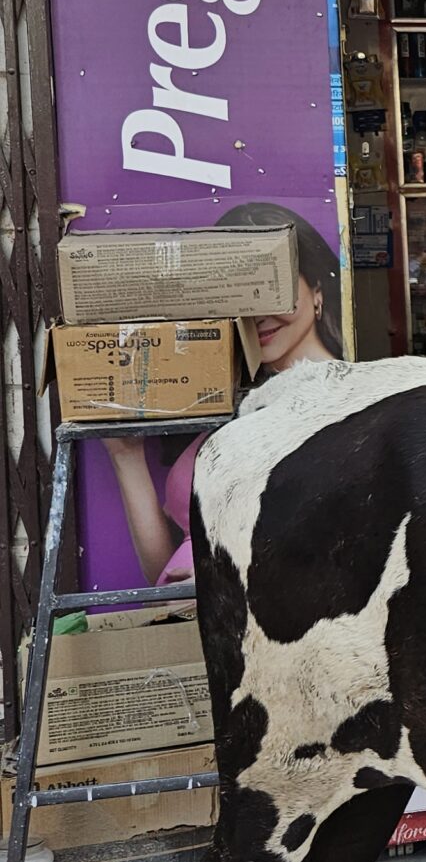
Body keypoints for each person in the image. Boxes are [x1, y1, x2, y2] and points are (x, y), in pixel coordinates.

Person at [103, 203, 344, 585]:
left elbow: (340, 561)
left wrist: (226, 580)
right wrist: (125, 457)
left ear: (316, 289)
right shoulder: (233, 403)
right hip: (185, 629)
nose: (258, 313)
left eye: (271, 289)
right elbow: (166, 572)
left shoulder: (345, 404)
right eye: (239, 295)